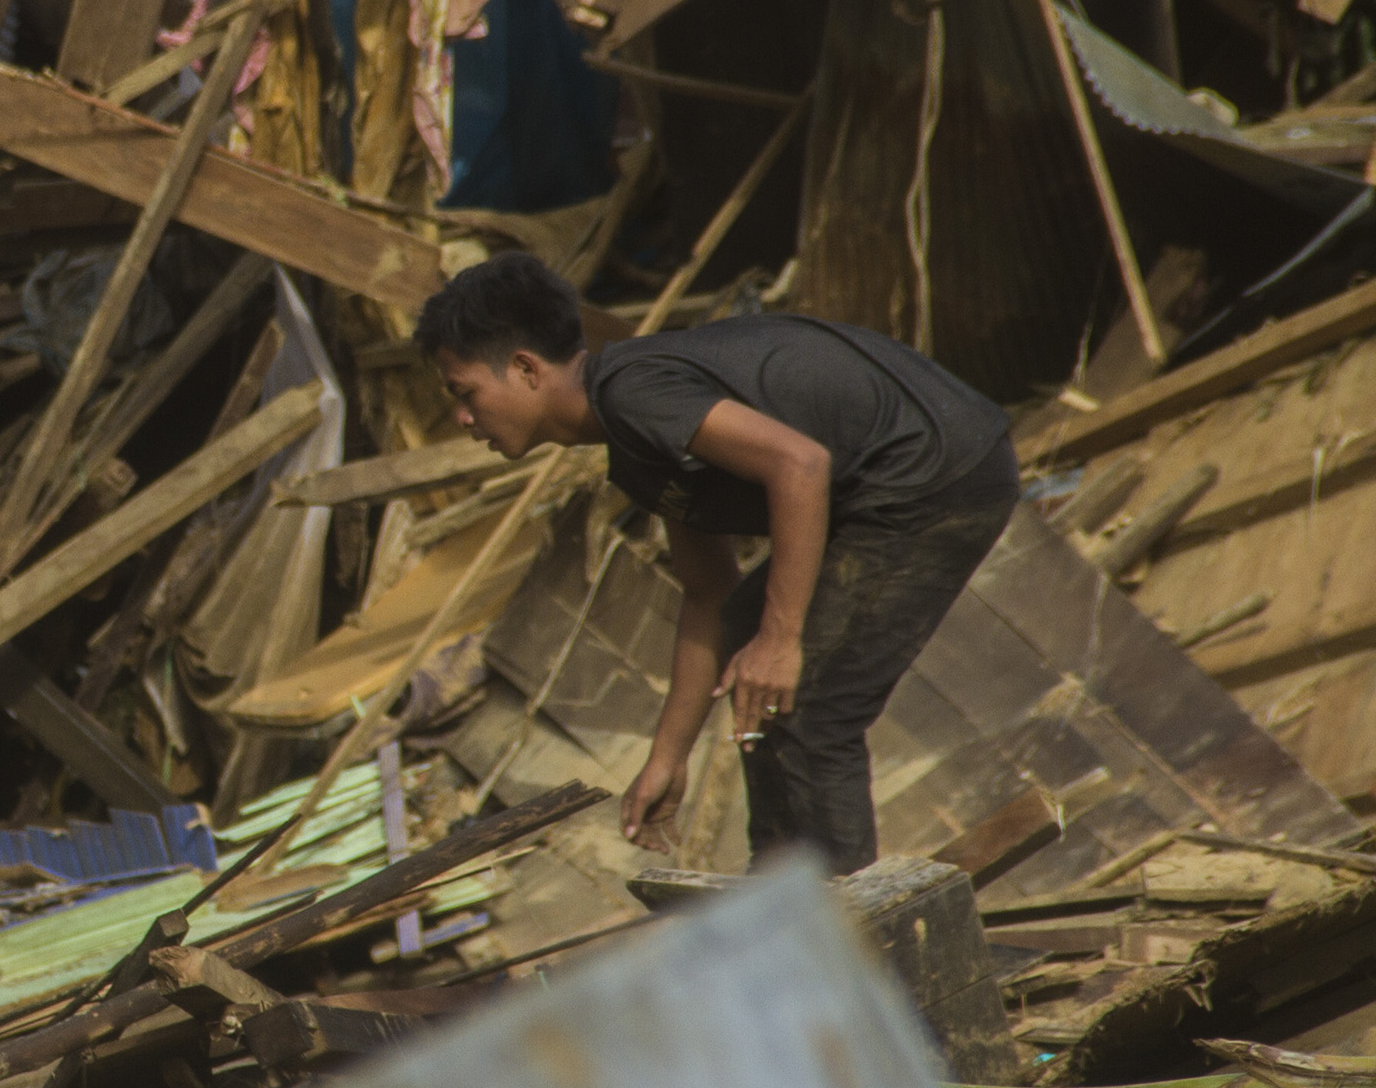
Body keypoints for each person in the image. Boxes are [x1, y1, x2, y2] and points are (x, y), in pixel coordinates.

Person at [418, 252, 1017, 874]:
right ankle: (778, 886)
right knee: (747, 634)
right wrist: (668, 756)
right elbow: (708, 593)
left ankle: (851, 934)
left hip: (936, 474)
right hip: (905, 479)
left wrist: (782, 641)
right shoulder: (636, 442)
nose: (463, 419)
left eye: (466, 394)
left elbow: (800, 465)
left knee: (811, 703)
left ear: (525, 369)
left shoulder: (635, 392)